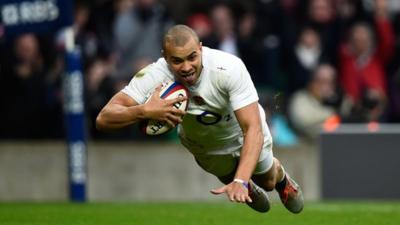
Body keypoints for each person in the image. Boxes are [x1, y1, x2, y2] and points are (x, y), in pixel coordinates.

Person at [96, 25, 304, 213]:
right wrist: (143, 111)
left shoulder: (228, 68)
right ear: (165, 57)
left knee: (267, 181)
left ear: (201, 49)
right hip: (203, 144)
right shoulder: (154, 75)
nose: (186, 67)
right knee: (231, 178)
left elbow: (252, 129)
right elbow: (104, 118)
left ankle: (281, 180)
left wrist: (241, 180)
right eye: (177, 60)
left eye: (192, 57)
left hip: (241, 133)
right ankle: (243, 182)